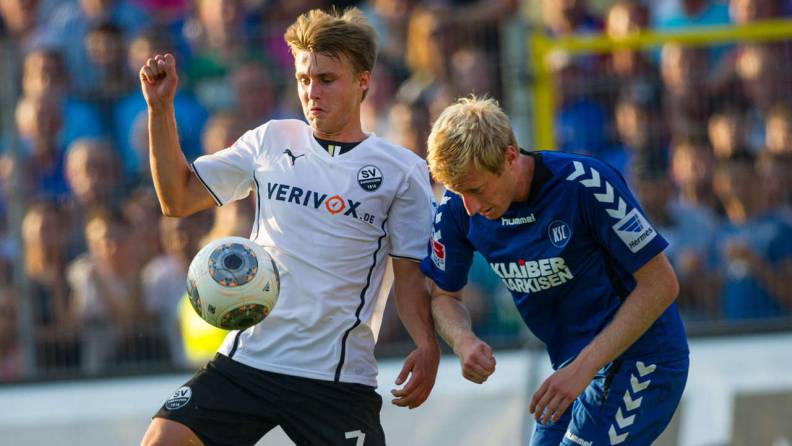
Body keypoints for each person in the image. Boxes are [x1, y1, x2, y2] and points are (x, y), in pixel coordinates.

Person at [140, 7, 439, 446]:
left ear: (363, 80)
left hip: (335, 379)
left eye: (326, 79)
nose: (311, 92)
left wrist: (427, 345)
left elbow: (409, 277)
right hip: (249, 362)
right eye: (303, 79)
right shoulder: (271, 139)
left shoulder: (402, 171)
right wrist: (159, 109)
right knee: (162, 440)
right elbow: (177, 199)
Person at [420, 97, 689, 445]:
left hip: (643, 359)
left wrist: (583, 368)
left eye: (476, 189)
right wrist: (462, 340)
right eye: (458, 192)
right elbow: (443, 295)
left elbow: (661, 284)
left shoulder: (586, 184)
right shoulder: (457, 207)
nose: (468, 207)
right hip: (573, 371)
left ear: (510, 157)